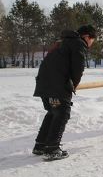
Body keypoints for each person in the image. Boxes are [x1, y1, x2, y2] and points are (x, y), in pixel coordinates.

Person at [32, 24, 96, 160]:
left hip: (44, 83)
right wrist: (73, 84)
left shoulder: (62, 42)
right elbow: (78, 68)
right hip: (57, 84)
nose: (91, 43)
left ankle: (41, 145)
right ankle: (52, 148)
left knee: (53, 112)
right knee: (62, 113)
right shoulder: (79, 44)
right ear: (86, 37)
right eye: (92, 39)